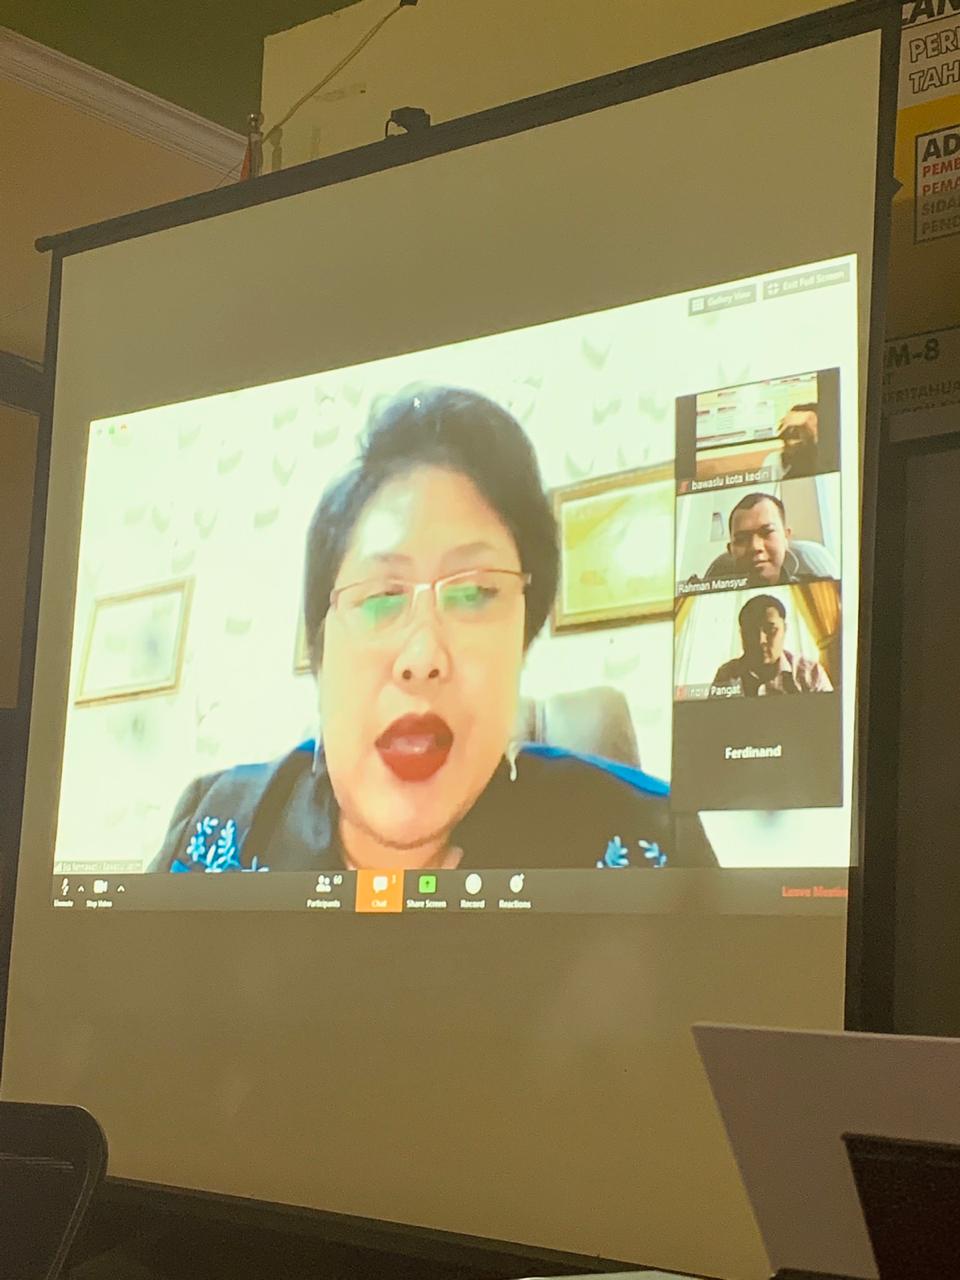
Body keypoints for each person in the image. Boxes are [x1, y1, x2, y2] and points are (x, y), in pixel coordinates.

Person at [151, 385, 704, 873]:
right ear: (322, 648)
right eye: (381, 597)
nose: (422, 656)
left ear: (522, 640)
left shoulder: (650, 842)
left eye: (474, 593)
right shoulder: (218, 823)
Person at [700, 491, 838, 586]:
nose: (755, 547)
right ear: (730, 550)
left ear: (786, 537)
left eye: (767, 532)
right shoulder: (715, 583)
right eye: (741, 539)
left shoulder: (818, 581)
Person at [710, 594, 833, 697]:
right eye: (751, 631)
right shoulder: (726, 675)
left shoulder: (811, 674)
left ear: (785, 629)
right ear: (742, 634)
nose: (761, 640)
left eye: (771, 630)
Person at [762, 403, 819, 480]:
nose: (793, 432)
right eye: (790, 427)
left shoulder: (824, 458)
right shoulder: (774, 460)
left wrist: (812, 421)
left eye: (802, 427)